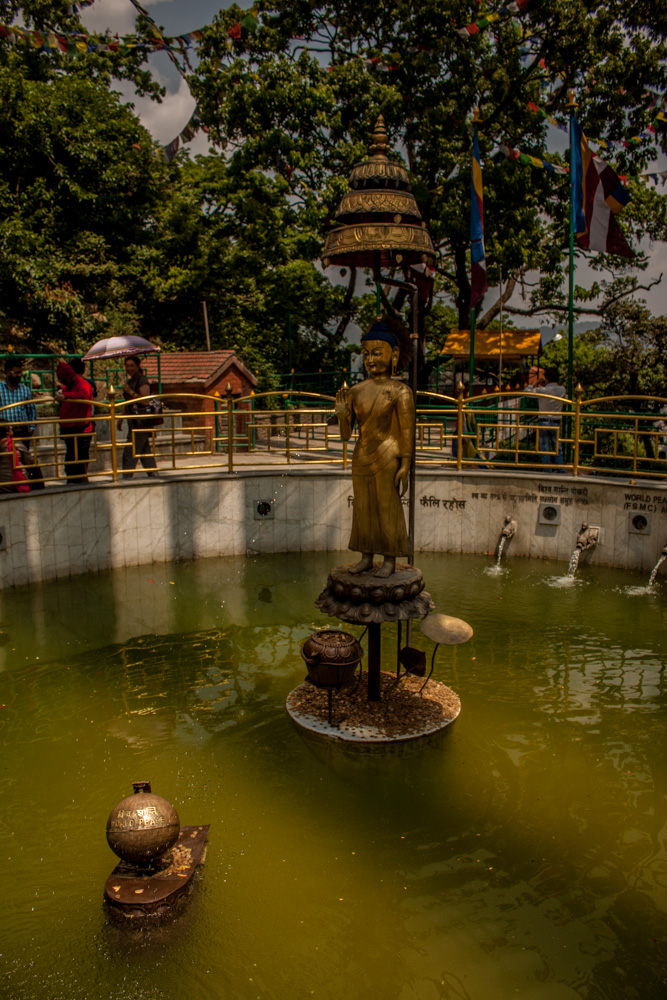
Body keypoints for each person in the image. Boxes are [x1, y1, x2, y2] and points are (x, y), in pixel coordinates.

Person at [335, 319, 414, 578]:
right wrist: (342, 416)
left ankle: (389, 558)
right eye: (366, 354)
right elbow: (346, 435)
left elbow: (406, 430)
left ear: (394, 354)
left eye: (377, 353)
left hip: (388, 455)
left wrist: (406, 463)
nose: (370, 360)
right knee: (363, 509)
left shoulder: (401, 391)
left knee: (387, 508)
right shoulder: (355, 391)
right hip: (361, 455)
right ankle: (366, 556)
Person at [0, 358, 45, 489]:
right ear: (7, 373)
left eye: (20, 372)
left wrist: (31, 427)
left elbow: (31, 410)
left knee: (24, 458)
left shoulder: (25, 390)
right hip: (4, 432)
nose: (19, 375)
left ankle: (27, 483)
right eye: (16, 372)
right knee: (6, 458)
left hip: (21, 430)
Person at [118, 355, 159, 479]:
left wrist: (130, 392)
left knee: (130, 452)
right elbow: (128, 403)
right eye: (127, 366)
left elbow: (146, 401)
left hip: (141, 422)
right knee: (144, 452)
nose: (129, 368)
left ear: (137, 366)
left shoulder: (142, 380)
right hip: (134, 421)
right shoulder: (130, 381)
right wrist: (121, 419)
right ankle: (154, 476)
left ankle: (126, 478)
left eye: (132, 366)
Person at [55, 362, 93, 485]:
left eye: (64, 380)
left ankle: (80, 479)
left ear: (71, 377)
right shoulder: (67, 387)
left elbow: (84, 395)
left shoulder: (83, 385)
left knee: (80, 456)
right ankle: (72, 479)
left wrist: (66, 396)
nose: (64, 383)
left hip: (81, 427)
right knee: (71, 456)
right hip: (69, 427)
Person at [525, 365, 567, 472]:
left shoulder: (542, 390)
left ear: (546, 378)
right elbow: (565, 400)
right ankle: (560, 470)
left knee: (545, 448)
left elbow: (526, 392)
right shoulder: (562, 389)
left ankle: (547, 470)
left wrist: (535, 383)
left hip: (544, 421)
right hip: (556, 422)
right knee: (558, 448)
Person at [0, 423, 30, 493]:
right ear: (7, 432)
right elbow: (30, 461)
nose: (12, 429)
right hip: (18, 484)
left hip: (2, 487)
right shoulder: (16, 443)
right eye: (10, 428)